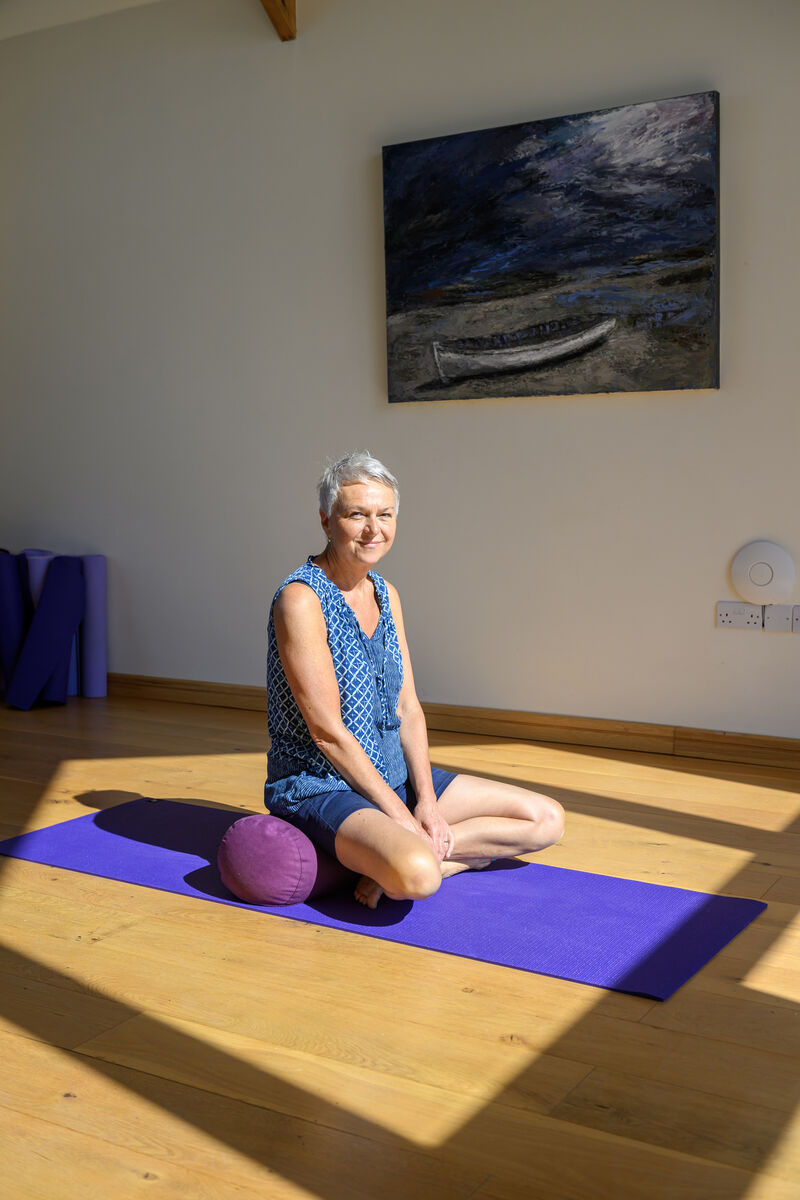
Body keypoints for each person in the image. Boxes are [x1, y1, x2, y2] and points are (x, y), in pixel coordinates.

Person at [265, 451, 565, 909]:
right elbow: (327, 734)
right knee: (417, 880)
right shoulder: (300, 600)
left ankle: (449, 855)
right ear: (327, 522)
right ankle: (433, 857)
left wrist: (425, 803)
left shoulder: (386, 594)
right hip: (322, 785)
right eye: (356, 515)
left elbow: (409, 709)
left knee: (546, 819)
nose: (373, 529)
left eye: (384, 515)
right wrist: (401, 818)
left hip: (392, 774)